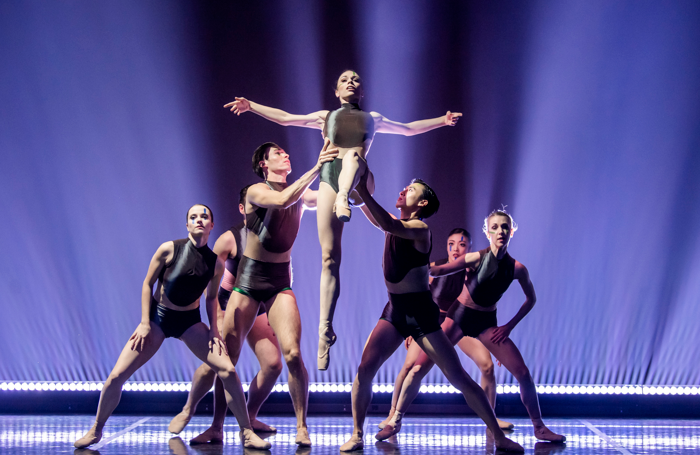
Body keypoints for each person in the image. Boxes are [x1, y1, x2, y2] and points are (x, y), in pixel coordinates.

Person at [225, 70, 462, 370]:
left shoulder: (373, 118)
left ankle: (342, 197)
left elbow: (408, 129)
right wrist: (251, 106)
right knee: (329, 259)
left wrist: (442, 120)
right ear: (336, 91)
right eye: (344, 79)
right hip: (329, 181)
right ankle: (325, 329)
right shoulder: (326, 117)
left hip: (361, 184)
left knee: (351, 158)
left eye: (356, 79)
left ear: (361, 92)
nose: (351, 81)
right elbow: (286, 118)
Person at [339, 173, 522, 452]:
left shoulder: (419, 230)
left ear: (422, 202)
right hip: (395, 309)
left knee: (458, 376)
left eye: (410, 190)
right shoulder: (396, 223)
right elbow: (379, 220)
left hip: (422, 313)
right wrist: (356, 196)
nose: (403, 190)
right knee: (365, 368)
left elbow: (386, 223)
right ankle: (357, 433)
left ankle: (498, 435)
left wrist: (363, 190)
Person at [74, 204, 270, 450]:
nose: (199, 220)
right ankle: (96, 430)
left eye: (204, 216)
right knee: (116, 376)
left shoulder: (215, 264)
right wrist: (145, 323)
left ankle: (247, 432)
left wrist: (214, 331)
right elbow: (147, 284)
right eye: (193, 217)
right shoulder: (169, 249)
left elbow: (211, 299)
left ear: (211, 224)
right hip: (158, 319)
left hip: (189, 323)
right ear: (187, 224)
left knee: (228, 371)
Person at [379, 209, 566, 443]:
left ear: (511, 232)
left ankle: (539, 428)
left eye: (505, 227)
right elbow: (438, 270)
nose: (500, 231)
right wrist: (411, 265)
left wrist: (508, 327)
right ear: (487, 233)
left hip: (486, 324)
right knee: (418, 368)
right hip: (458, 318)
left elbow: (531, 300)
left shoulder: (517, 269)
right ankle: (395, 419)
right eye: (495, 227)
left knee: (523, 373)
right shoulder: (475, 258)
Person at [222, 139, 338, 448]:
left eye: (285, 151)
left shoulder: (302, 195)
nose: (285, 154)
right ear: (264, 164)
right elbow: (284, 199)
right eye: (277, 153)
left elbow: (333, 197)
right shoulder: (255, 192)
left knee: (293, 354)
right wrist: (317, 165)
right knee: (227, 359)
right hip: (247, 280)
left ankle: (301, 425)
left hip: (278, 281)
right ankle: (218, 425)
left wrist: (353, 176)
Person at [168, 185, 282, 444]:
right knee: (221, 363)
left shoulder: (272, 237)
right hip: (228, 303)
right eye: (256, 205)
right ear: (244, 209)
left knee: (273, 365)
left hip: (257, 306)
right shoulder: (230, 238)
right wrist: (212, 318)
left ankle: (249, 416)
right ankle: (212, 424)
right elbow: (205, 275)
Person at [378, 228, 513, 434]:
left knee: (487, 365)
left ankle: (491, 420)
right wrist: (409, 329)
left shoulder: (474, 270)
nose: (456, 248)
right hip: (430, 322)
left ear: (469, 247)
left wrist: (495, 345)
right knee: (409, 366)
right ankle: (392, 415)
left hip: (458, 321)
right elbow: (412, 295)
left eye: (461, 244)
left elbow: (486, 305)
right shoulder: (435, 268)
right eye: (451, 243)